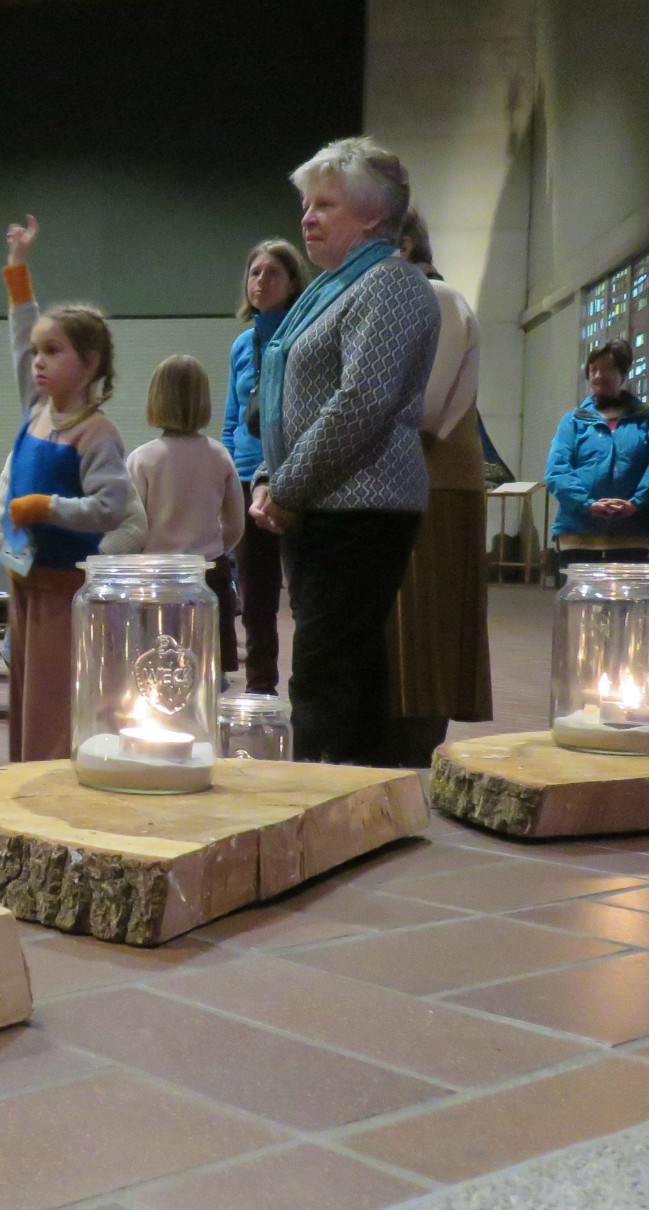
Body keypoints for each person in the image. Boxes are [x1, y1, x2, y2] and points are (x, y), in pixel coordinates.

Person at [249, 137, 439, 766]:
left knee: (325, 670)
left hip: (363, 504)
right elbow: (290, 398)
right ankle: (361, 801)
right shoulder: (331, 287)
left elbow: (362, 400)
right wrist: (268, 476)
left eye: (324, 204)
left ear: (371, 216)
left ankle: (318, 809)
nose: (307, 216)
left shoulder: (390, 285)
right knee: (344, 663)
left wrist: (288, 487)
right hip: (324, 501)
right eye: (307, 203)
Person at [0, 214, 132, 762]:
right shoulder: (36, 411)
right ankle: (19, 775)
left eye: (53, 352)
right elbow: (19, 329)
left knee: (51, 697)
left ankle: (47, 780)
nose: (38, 362)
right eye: (37, 353)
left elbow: (112, 507)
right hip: (23, 579)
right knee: (23, 690)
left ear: (90, 362)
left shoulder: (97, 433)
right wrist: (17, 268)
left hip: (62, 591)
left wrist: (47, 507)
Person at [380, 209, 493, 767]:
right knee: (401, 622)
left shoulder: (440, 299)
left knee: (428, 623)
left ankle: (416, 742)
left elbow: (425, 408)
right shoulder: (404, 305)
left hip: (439, 482)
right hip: (407, 480)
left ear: (403, 246)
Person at [101, 355, 243, 661]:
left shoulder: (142, 459)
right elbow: (235, 525)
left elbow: (130, 527)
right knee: (207, 669)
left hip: (156, 580)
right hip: (207, 577)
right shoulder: (220, 456)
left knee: (153, 666)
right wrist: (212, 549)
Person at [220, 238, 308, 694]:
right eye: (255, 272)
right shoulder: (240, 345)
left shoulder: (305, 334)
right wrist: (226, 476)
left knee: (303, 591)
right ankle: (260, 687)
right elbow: (232, 418)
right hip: (243, 480)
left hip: (294, 476)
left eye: (273, 273)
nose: (261, 281)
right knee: (254, 595)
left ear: (293, 282)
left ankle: (307, 687)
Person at [543, 339, 649, 569]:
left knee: (626, 604)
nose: (598, 376)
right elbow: (557, 470)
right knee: (580, 603)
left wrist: (635, 503)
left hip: (632, 533)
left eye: (607, 369)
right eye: (593, 370)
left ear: (623, 374)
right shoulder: (572, 421)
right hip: (577, 533)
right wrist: (587, 504)